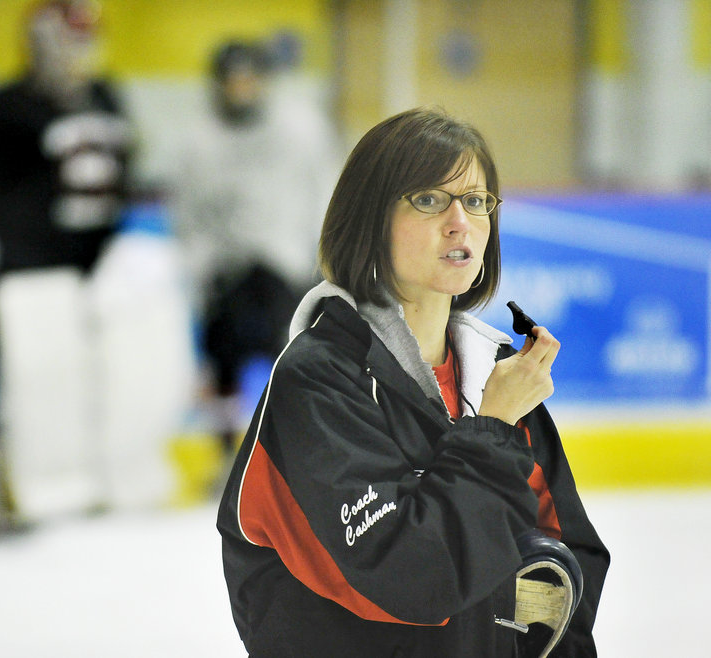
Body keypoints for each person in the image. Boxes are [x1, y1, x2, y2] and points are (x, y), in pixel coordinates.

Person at [217, 107, 609, 656]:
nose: (459, 222)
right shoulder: (317, 377)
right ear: (370, 220)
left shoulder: (493, 370)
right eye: (428, 199)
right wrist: (492, 427)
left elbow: (569, 567)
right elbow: (414, 580)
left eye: (476, 201)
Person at [0, 0, 192, 532]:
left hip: (96, 275)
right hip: (25, 274)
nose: (80, 52)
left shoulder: (107, 96)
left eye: (87, 38)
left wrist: (127, 247)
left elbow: (125, 180)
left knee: (98, 378)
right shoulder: (6, 107)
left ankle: (90, 479)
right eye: (70, 38)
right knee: (15, 377)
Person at [172, 39, 341, 457]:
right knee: (223, 363)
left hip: (286, 265)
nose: (242, 88)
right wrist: (199, 266)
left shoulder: (301, 127)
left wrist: (323, 257)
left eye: (250, 78)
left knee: (290, 362)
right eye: (233, 80)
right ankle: (226, 456)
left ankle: (293, 457)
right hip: (225, 269)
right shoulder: (197, 140)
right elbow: (188, 212)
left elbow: (327, 189)